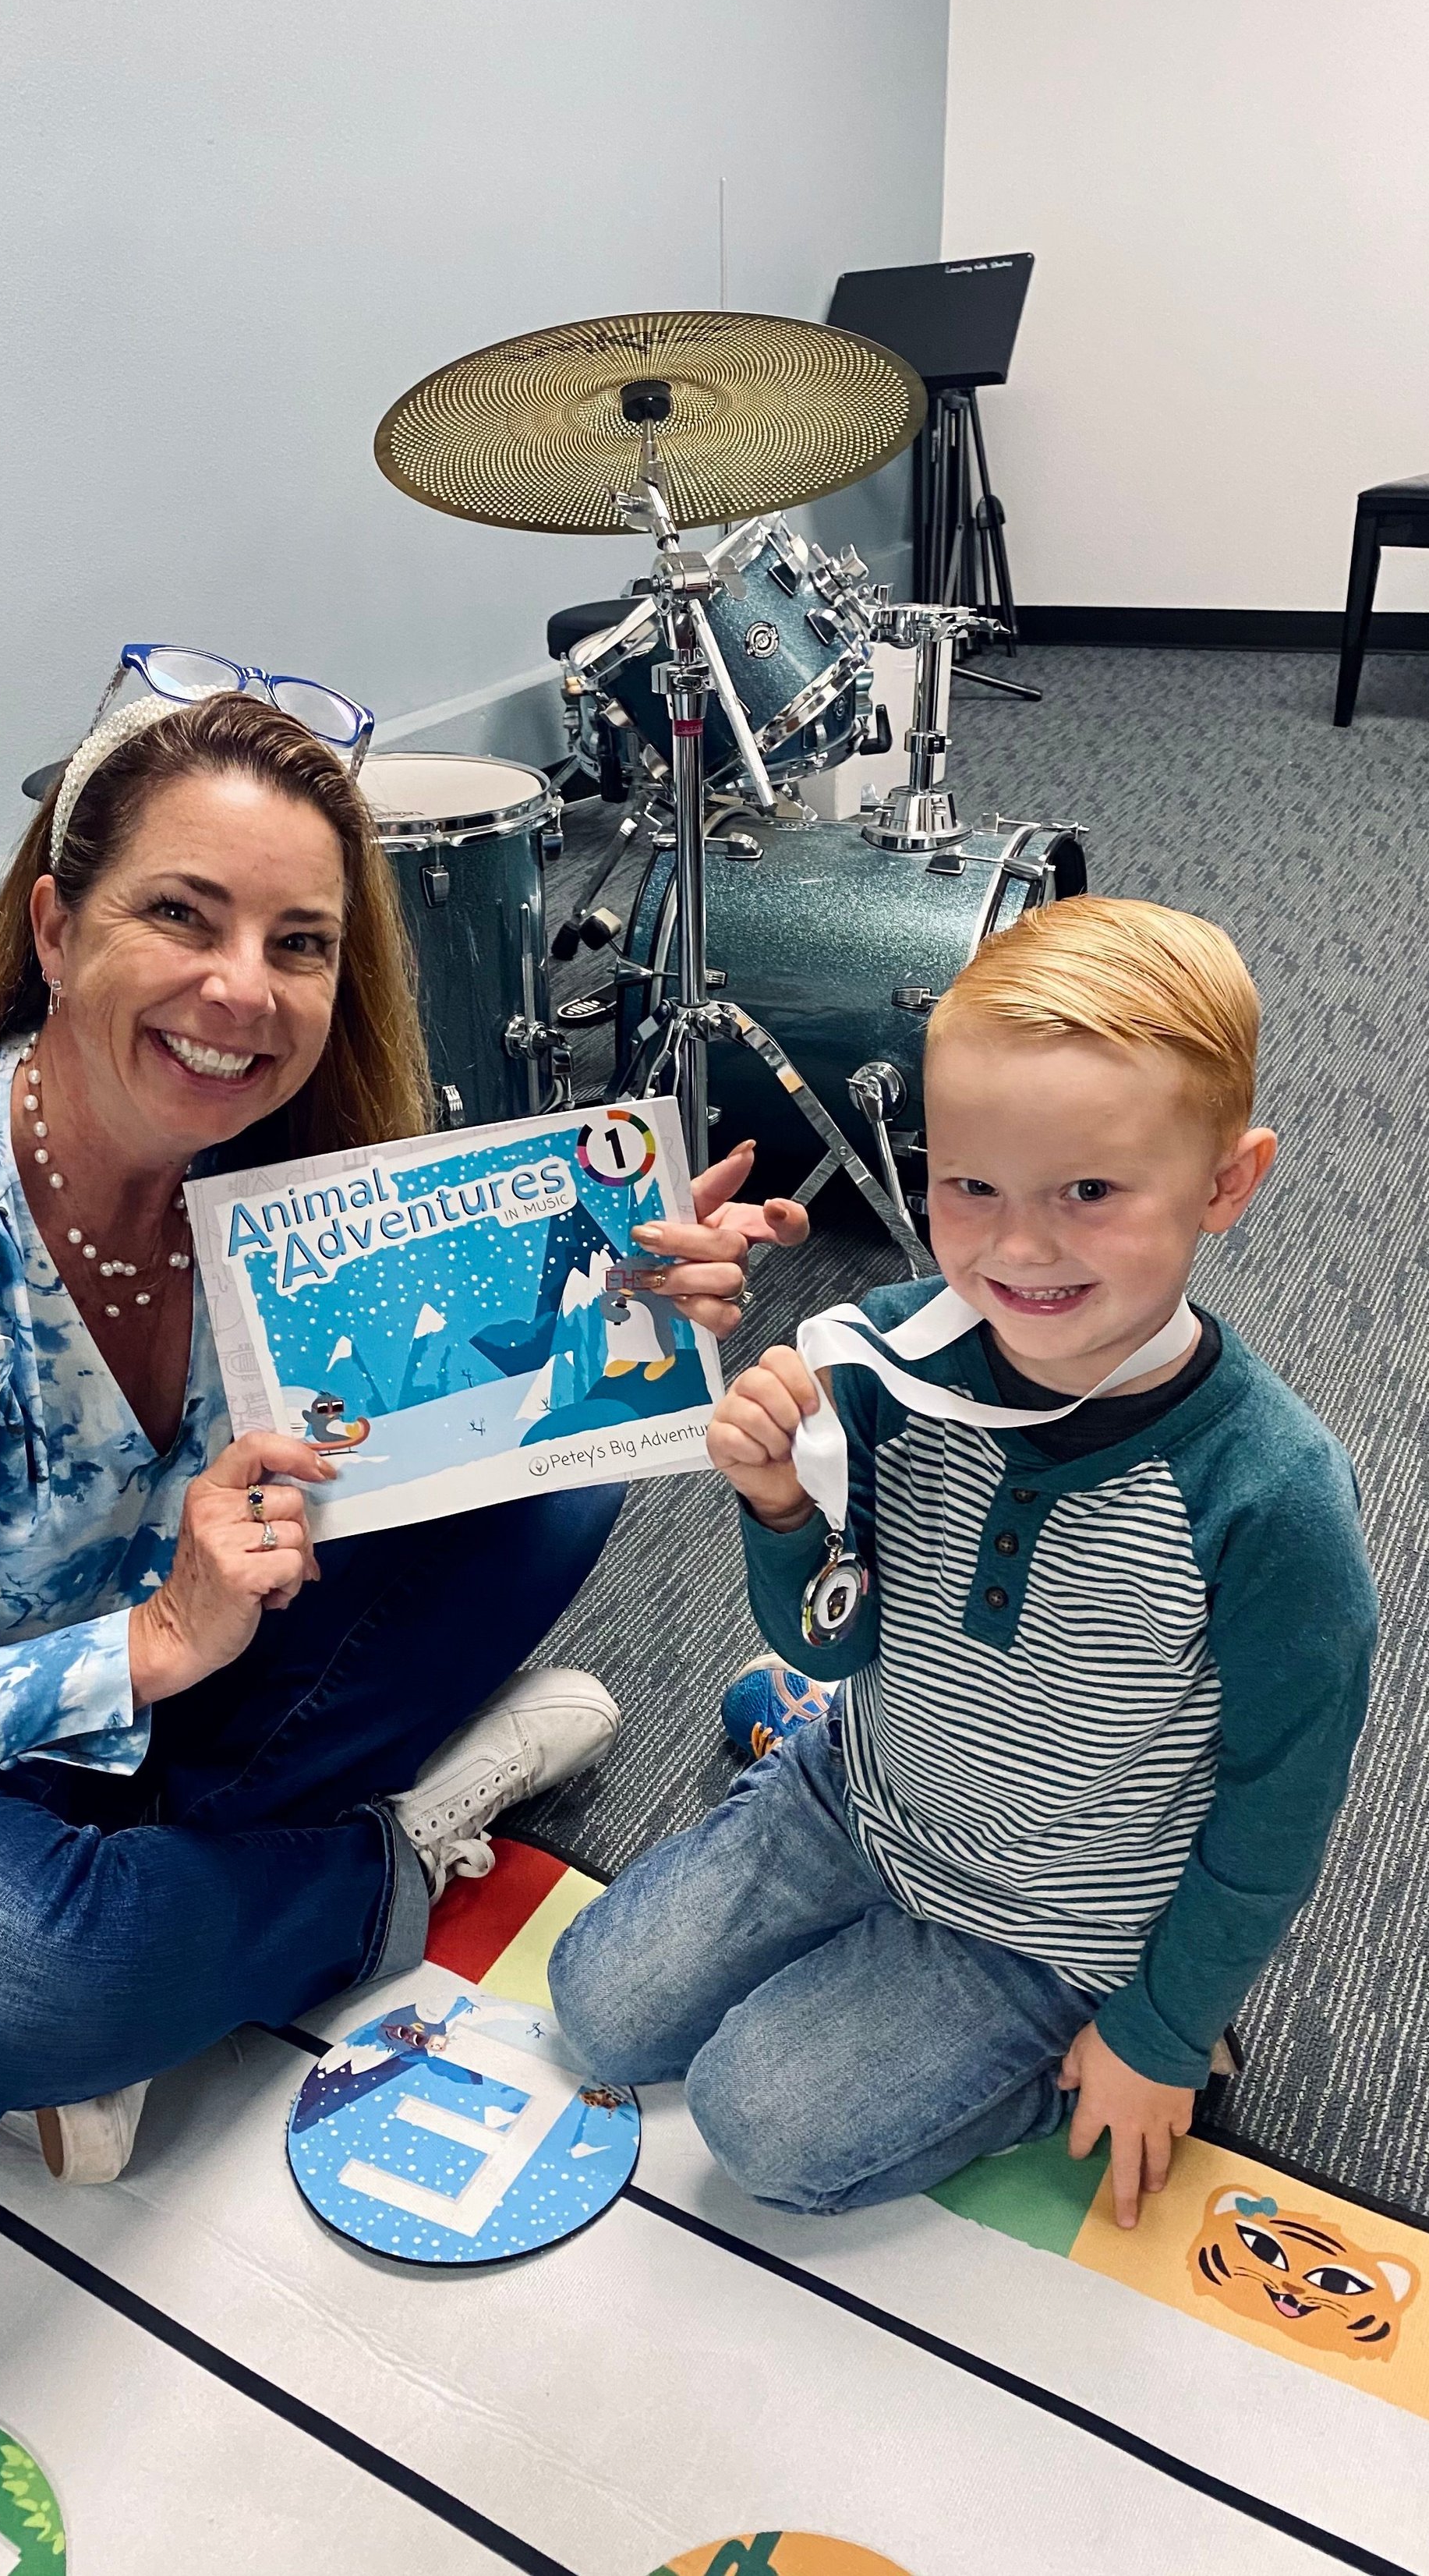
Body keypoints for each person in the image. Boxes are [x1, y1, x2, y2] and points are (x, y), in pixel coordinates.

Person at [0, 681, 802, 2182]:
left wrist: (631, 1307)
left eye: (300, 944)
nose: (243, 991)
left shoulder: (288, 1182)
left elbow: (482, 1399)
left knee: (558, 1487)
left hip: (152, 1707)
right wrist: (153, 1643)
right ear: (58, 931)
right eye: (184, 918)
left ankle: (174, 1908)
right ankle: (377, 1856)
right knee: (12, 1974)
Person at [550, 897, 1377, 2230]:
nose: (1018, 1246)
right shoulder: (889, 1354)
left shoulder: (1269, 1493)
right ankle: (798, 1743)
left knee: (761, 2125)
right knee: (596, 2005)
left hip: (1056, 1923)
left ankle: (1096, 2050)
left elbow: (1282, 1801)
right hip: (865, 1788)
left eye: (1091, 1192)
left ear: (1228, 1183)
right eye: (968, 1183)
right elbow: (833, 1633)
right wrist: (777, 1507)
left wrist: (1163, 2029)